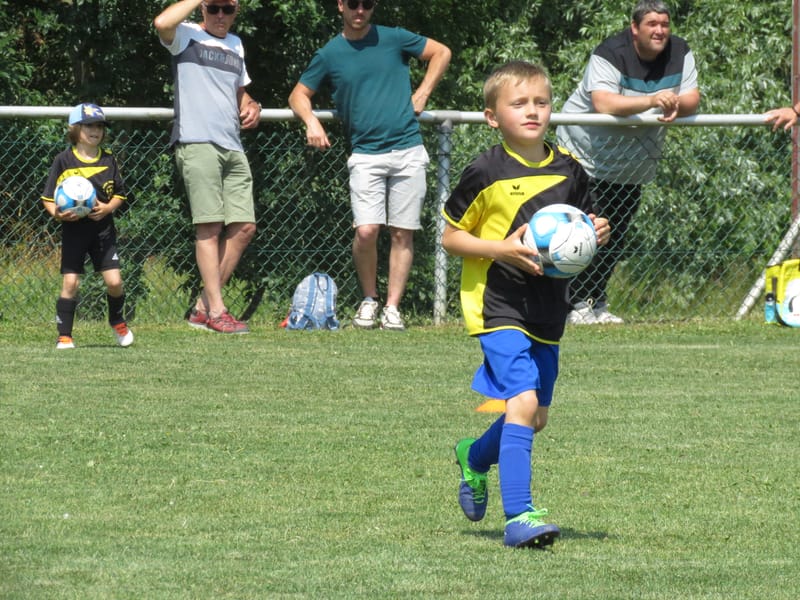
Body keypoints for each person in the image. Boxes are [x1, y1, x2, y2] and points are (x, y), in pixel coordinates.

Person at [441, 61, 611, 548]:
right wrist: (502, 249)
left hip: (548, 307)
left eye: (541, 101)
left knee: (536, 416)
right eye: (519, 103)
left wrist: (596, 232)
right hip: (496, 304)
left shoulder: (569, 169)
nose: (532, 111)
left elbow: (583, 226)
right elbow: (452, 237)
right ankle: (520, 517)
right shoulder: (485, 171)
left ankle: (474, 456)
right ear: (492, 116)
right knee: (522, 401)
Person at [288, 0, 451, 331]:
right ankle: (369, 300)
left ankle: (392, 308)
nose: (359, 10)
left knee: (403, 232)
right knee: (366, 231)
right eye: (353, 4)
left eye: (367, 4)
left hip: (408, 149)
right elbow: (298, 95)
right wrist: (311, 122)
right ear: (340, 6)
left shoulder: (393, 38)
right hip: (365, 154)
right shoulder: (330, 53)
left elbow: (441, 52)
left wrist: (422, 93)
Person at [557, 0, 700, 325]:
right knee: (584, 236)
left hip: (631, 168)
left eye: (665, 24)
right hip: (585, 159)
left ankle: (595, 303)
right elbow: (603, 102)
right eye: (652, 24)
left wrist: (675, 101)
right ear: (635, 28)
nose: (660, 30)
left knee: (615, 238)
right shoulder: (609, 52)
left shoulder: (680, 51)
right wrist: (653, 99)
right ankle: (572, 305)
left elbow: (692, 97)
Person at [154, 0, 261, 334]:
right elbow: (161, 23)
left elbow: (240, 94)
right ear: (202, 8)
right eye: (213, 7)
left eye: (227, 9)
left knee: (244, 227)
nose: (219, 15)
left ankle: (202, 308)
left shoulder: (236, 44)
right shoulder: (185, 35)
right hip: (197, 141)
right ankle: (216, 311)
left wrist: (253, 105)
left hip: (232, 144)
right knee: (209, 227)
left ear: (236, 11)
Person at [41, 103, 134, 350]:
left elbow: (120, 194)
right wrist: (58, 215)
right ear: (75, 129)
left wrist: (107, 208)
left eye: (100, 126)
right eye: (89, 125)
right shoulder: (63, 160)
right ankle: (64, 335)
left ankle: (116, 320)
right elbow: (48, 198)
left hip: (103, 230)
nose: (95, 131)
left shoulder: (109, 159)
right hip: (74, 230)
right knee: (71, 283)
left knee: (114, 282)